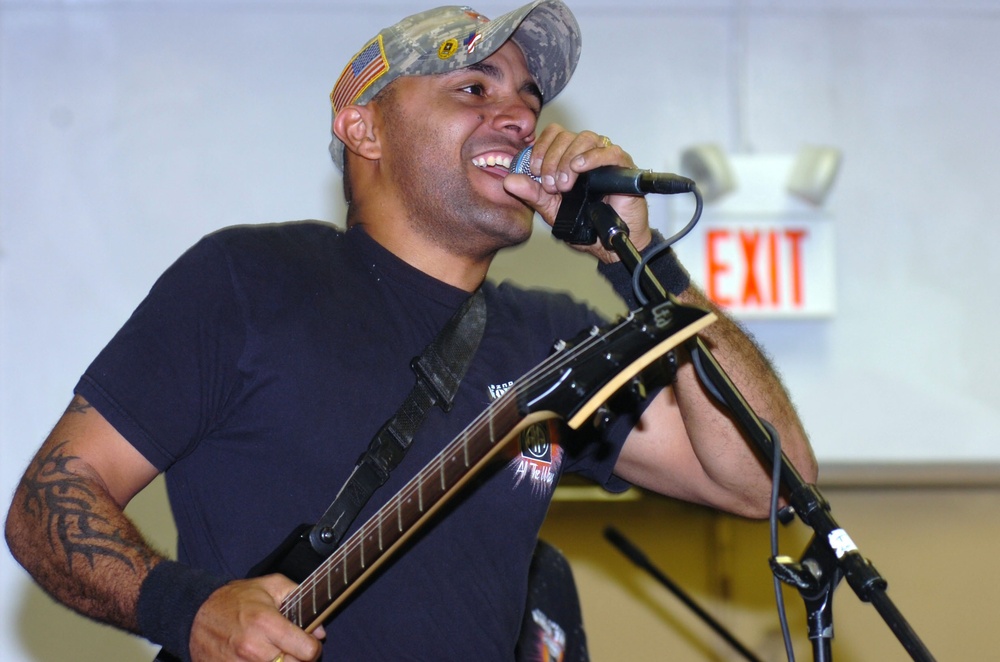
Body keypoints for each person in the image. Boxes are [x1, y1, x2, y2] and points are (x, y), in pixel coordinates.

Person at [4, 1, 817, 660]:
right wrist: (192, 612)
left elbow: (767, 482)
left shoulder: (553, 337)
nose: (519, 117)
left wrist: (639, 260)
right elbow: (49, 501)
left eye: (530, 100)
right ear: (365, 129)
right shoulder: (249, 279)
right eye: (475, 89)